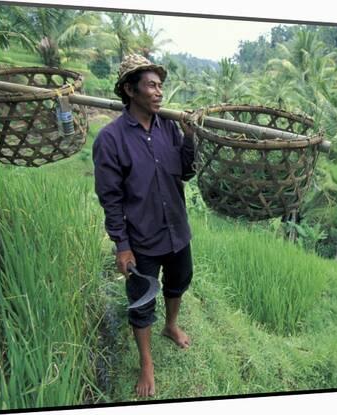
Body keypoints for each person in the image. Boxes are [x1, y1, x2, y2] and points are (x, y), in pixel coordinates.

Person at [92, 54, 196, 398]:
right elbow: (111, 198)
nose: (159, 92)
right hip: (142, 238)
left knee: (179, 282)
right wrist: (122, 246)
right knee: (141, 301)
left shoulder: (169, 128)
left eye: (160, 85)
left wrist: (190, 137)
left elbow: (185, 172)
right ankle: (146, 362)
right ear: (129, 90)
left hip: (176, 231)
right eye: (151, 85)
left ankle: (170, 326)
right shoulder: (111, 139)